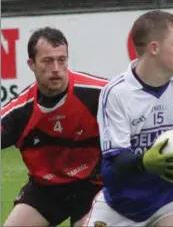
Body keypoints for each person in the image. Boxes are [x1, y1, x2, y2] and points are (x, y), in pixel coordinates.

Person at [86, 10, 173, 227]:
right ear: (154, 48)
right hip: (121, 205)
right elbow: (115, 162)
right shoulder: (117, 93)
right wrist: (146, 162)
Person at [1, 26, 108, 227]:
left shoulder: (100, 94)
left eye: (62, 60)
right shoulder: (19, 112)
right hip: (46, 189)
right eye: (48, 61)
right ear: (31, 64)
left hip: (94, 186)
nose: (56, 68)